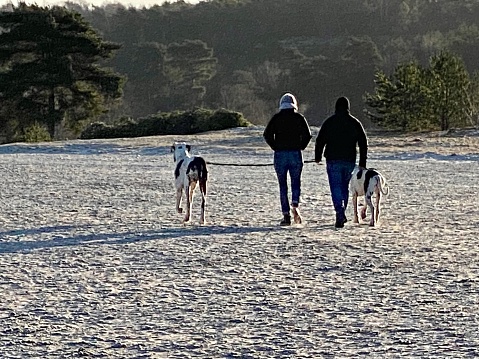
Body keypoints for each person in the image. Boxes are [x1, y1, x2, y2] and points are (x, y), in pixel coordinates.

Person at [314, 96, 368, 228]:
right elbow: (363, 142)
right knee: (344, 186)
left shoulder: (329, 122)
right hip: (349, 160)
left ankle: (339, 210)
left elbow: (320, 140)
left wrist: (318, 156)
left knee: (335, 186)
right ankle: (342, 210)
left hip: (333, 159)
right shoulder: (354, 123)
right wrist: (362, 162)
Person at [264, 93, 312, 226]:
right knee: (296, 181)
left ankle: (286, 215)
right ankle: (295, 202)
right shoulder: (299, 117)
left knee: (282, 185)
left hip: (280, 154)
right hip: (295, 153)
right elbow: (308, 135)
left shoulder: (276, 118)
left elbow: (267, 134)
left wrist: (275, 147)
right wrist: (301, 146)